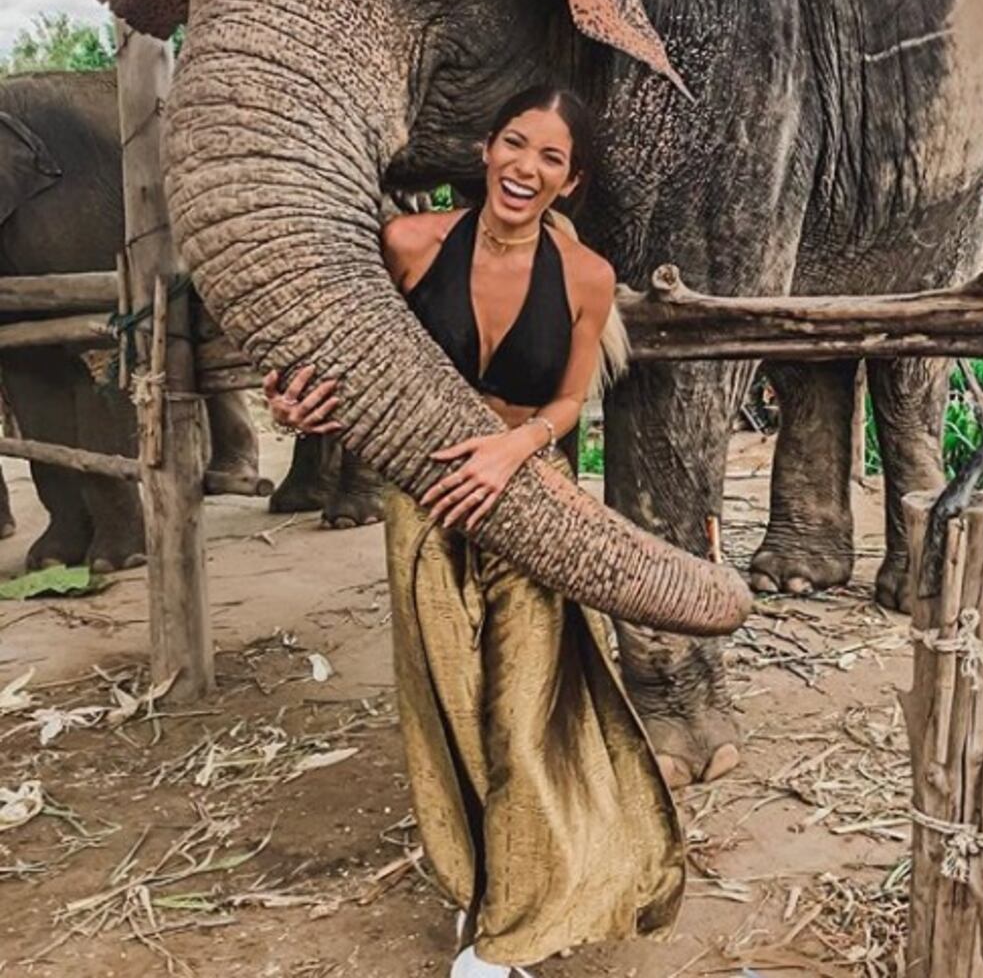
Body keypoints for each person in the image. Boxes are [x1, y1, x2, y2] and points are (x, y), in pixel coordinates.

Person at [265, 86, 684, 978]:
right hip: (426, 504)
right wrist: (296, 403)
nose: (526, 169)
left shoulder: (587, 276)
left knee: (527, 708)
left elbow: (570, 399)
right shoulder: (411, 246)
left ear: (569, 185)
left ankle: (513, 929)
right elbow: (344, 363)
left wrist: (514, 448)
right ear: (486, 149)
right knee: (447, 703)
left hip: (531, 503)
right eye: (515, 144)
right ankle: (480, 892)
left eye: (551, 160)